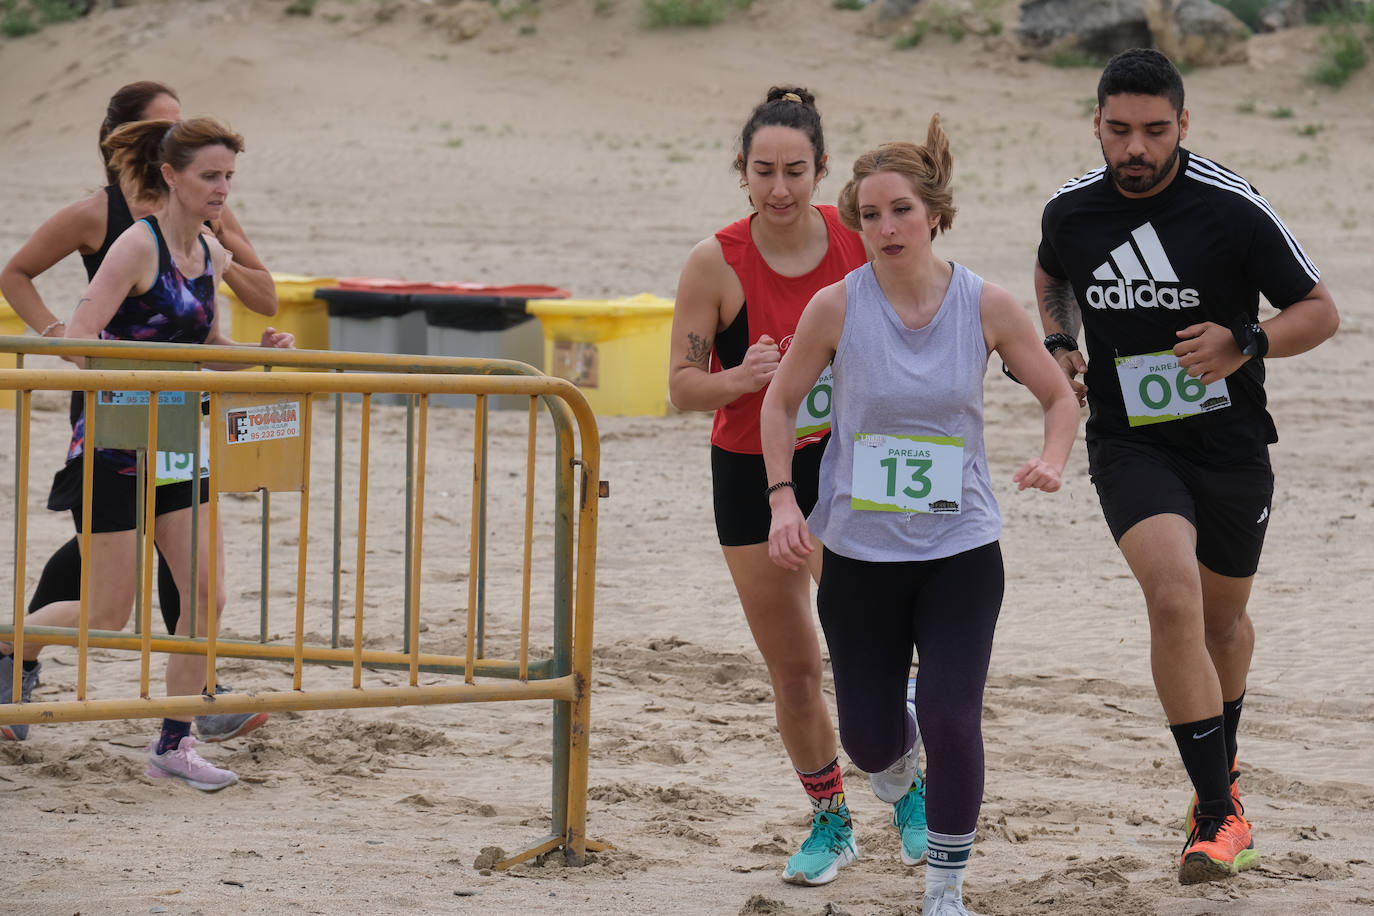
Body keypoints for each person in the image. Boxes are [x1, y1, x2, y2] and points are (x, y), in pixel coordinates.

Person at [1034, 48, 1339, 885]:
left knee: (1222, 623)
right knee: (1174, 599)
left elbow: (1320, 310)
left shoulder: (1231, 208)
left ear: (1184, 126)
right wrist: (1059, 341)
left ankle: (1221, 769)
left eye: (1155, 132)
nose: (1136, 148)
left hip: (1231, 444)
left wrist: (1248, 342)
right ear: (1096, 124)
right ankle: (1216, 814)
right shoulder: (1073, 210)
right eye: (1120, 130)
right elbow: (1053, 270)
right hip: (1130, 439)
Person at [761, 117, 1079, 915]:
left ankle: (945, 890)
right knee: (870, 742)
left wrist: (1052, 458)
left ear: (934, 212)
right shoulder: (836, 307)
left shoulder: (986, 303)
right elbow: (779, 402)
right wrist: (781, 499)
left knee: (950, 714)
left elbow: (1058, 395)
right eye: (868, 216)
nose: (885, 228)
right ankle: (893, 759)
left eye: (900, 210)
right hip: (861, 555)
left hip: (959, 548)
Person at [0, 116, 295, 790]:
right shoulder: (136, 246)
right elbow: (78, 340)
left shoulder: (210, 255)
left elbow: (207, 350)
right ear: (170, 176)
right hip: (115, 439)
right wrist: (137, 376)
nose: (222, 190)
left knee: (205, 596)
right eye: (210, 177)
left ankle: (173, 742)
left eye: (228, 177)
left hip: (176, 440)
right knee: (108, 615)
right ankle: (9, 642)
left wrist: (260, 356)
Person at [667, 87, 883, 886]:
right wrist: (742, 379)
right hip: (748, 472)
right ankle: (831, 821)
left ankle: (909, 793)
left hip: (844, 462)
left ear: (823, 170)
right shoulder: (716, 261)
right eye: (764, 172)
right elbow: (681, 387)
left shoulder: (855, 238)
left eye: (797, 171)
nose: (781, 188)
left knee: (869, 643)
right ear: (742, 172)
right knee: (793, 670)